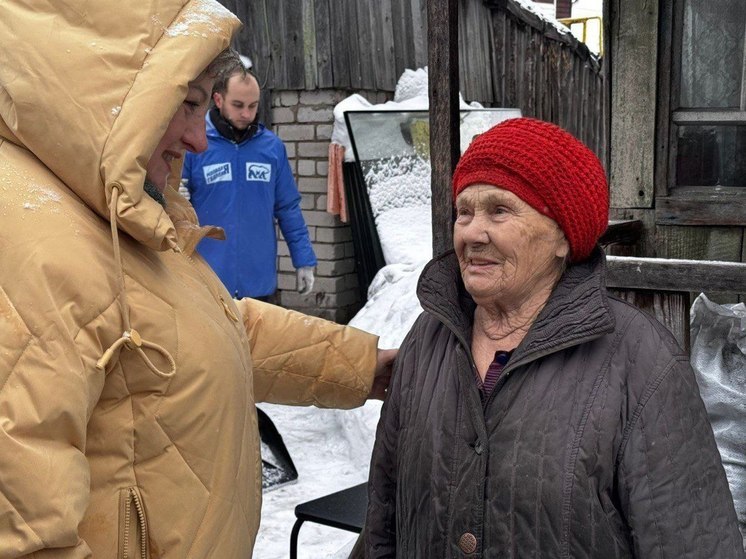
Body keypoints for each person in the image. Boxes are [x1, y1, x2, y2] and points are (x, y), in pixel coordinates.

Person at [0, 1, 394, 557]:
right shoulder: (32, 241)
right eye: (184, 104)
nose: (197, 137)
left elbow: (207, 332)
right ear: (106, 92)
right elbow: (23, 531)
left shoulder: (112, 206)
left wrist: (365, 366)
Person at [364, 118, 745, 558]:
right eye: (464, 211)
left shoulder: (640, 363)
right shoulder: (428, 339)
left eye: (499, 211)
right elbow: (383, 518)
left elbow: (690, 544)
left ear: (564, 236)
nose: (471, 232)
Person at [181, 60, 316, 301]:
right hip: (208, 283)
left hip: (259, 285)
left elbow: (288, 208)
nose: (246, 114)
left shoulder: (271, 148)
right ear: (219, 100)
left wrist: (303, 260)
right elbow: (173, 208)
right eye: (238, 105)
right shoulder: (195, 145)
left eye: (253, 106)